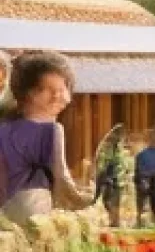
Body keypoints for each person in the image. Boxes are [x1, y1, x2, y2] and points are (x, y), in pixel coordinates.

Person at [0, 51, 94, 227]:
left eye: (61, 89)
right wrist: (88, 200)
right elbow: (62, 180)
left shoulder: (5, 127)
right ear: (28, 94)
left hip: (5, 212)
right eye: (49, 90)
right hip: (31, 209)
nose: (58, 96)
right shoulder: (51, 130)